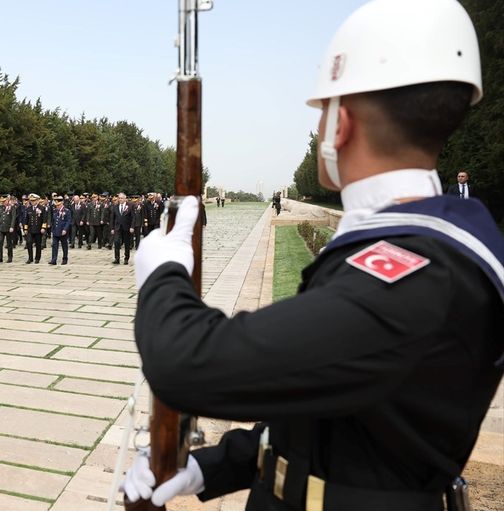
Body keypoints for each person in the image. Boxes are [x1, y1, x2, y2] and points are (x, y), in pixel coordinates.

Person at [122, 1, 504, 510]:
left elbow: (186, 364)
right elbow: (337, 412)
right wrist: (211, 466)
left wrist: (164, 275)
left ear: (340, 124)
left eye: (321, 111)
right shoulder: (412, 249)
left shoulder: (418, 272)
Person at [111, 192, 134, 265]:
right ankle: (117, 258)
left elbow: (133, 217)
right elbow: (112, 218)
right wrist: (112, 228)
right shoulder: (115, 206)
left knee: (127, 243)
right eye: (119, 198)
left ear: (125, 199)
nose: (120, 199)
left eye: (121, 198)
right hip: (117, 227)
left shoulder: (130, 206)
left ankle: (126, 258)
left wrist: (132, 227)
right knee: (116, 242)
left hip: (126, 227)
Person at [49, 195, 72, 265]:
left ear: (61, 203)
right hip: (56, 231)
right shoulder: (55, 211)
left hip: (63, 231)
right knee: (54, 246)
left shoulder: (67, 211)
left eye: (58, 205)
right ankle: (54, 259)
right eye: (56, 205)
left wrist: (65, 229)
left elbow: (68, 221)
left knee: (64, 246)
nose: (57, 206)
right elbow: (53, 220)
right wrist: (52, 229)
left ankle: (65, 259)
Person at [23, 193, 46, 264]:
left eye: (34, 200)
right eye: (31, 201)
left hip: (38, 229)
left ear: (37, 200)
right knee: (29, 242)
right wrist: (25, 229)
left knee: (38, 244)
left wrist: (43, 227)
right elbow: (26, 220)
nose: (32, 202)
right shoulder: (28, 208)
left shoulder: (42, 208)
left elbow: (44, 219)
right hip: (30, 229)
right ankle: (30, 258)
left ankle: (37, 258)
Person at [0, 195, 17, 263]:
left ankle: (10, 257)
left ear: (7, 200)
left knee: (9, 243)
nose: (3, 202)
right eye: (2, 201)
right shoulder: (0, 207)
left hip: (8, 227)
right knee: (0, 242)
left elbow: (13, 217)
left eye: (4, 201)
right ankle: (0, 257)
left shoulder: (12, 207)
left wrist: (12, 227)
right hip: (1, 227)